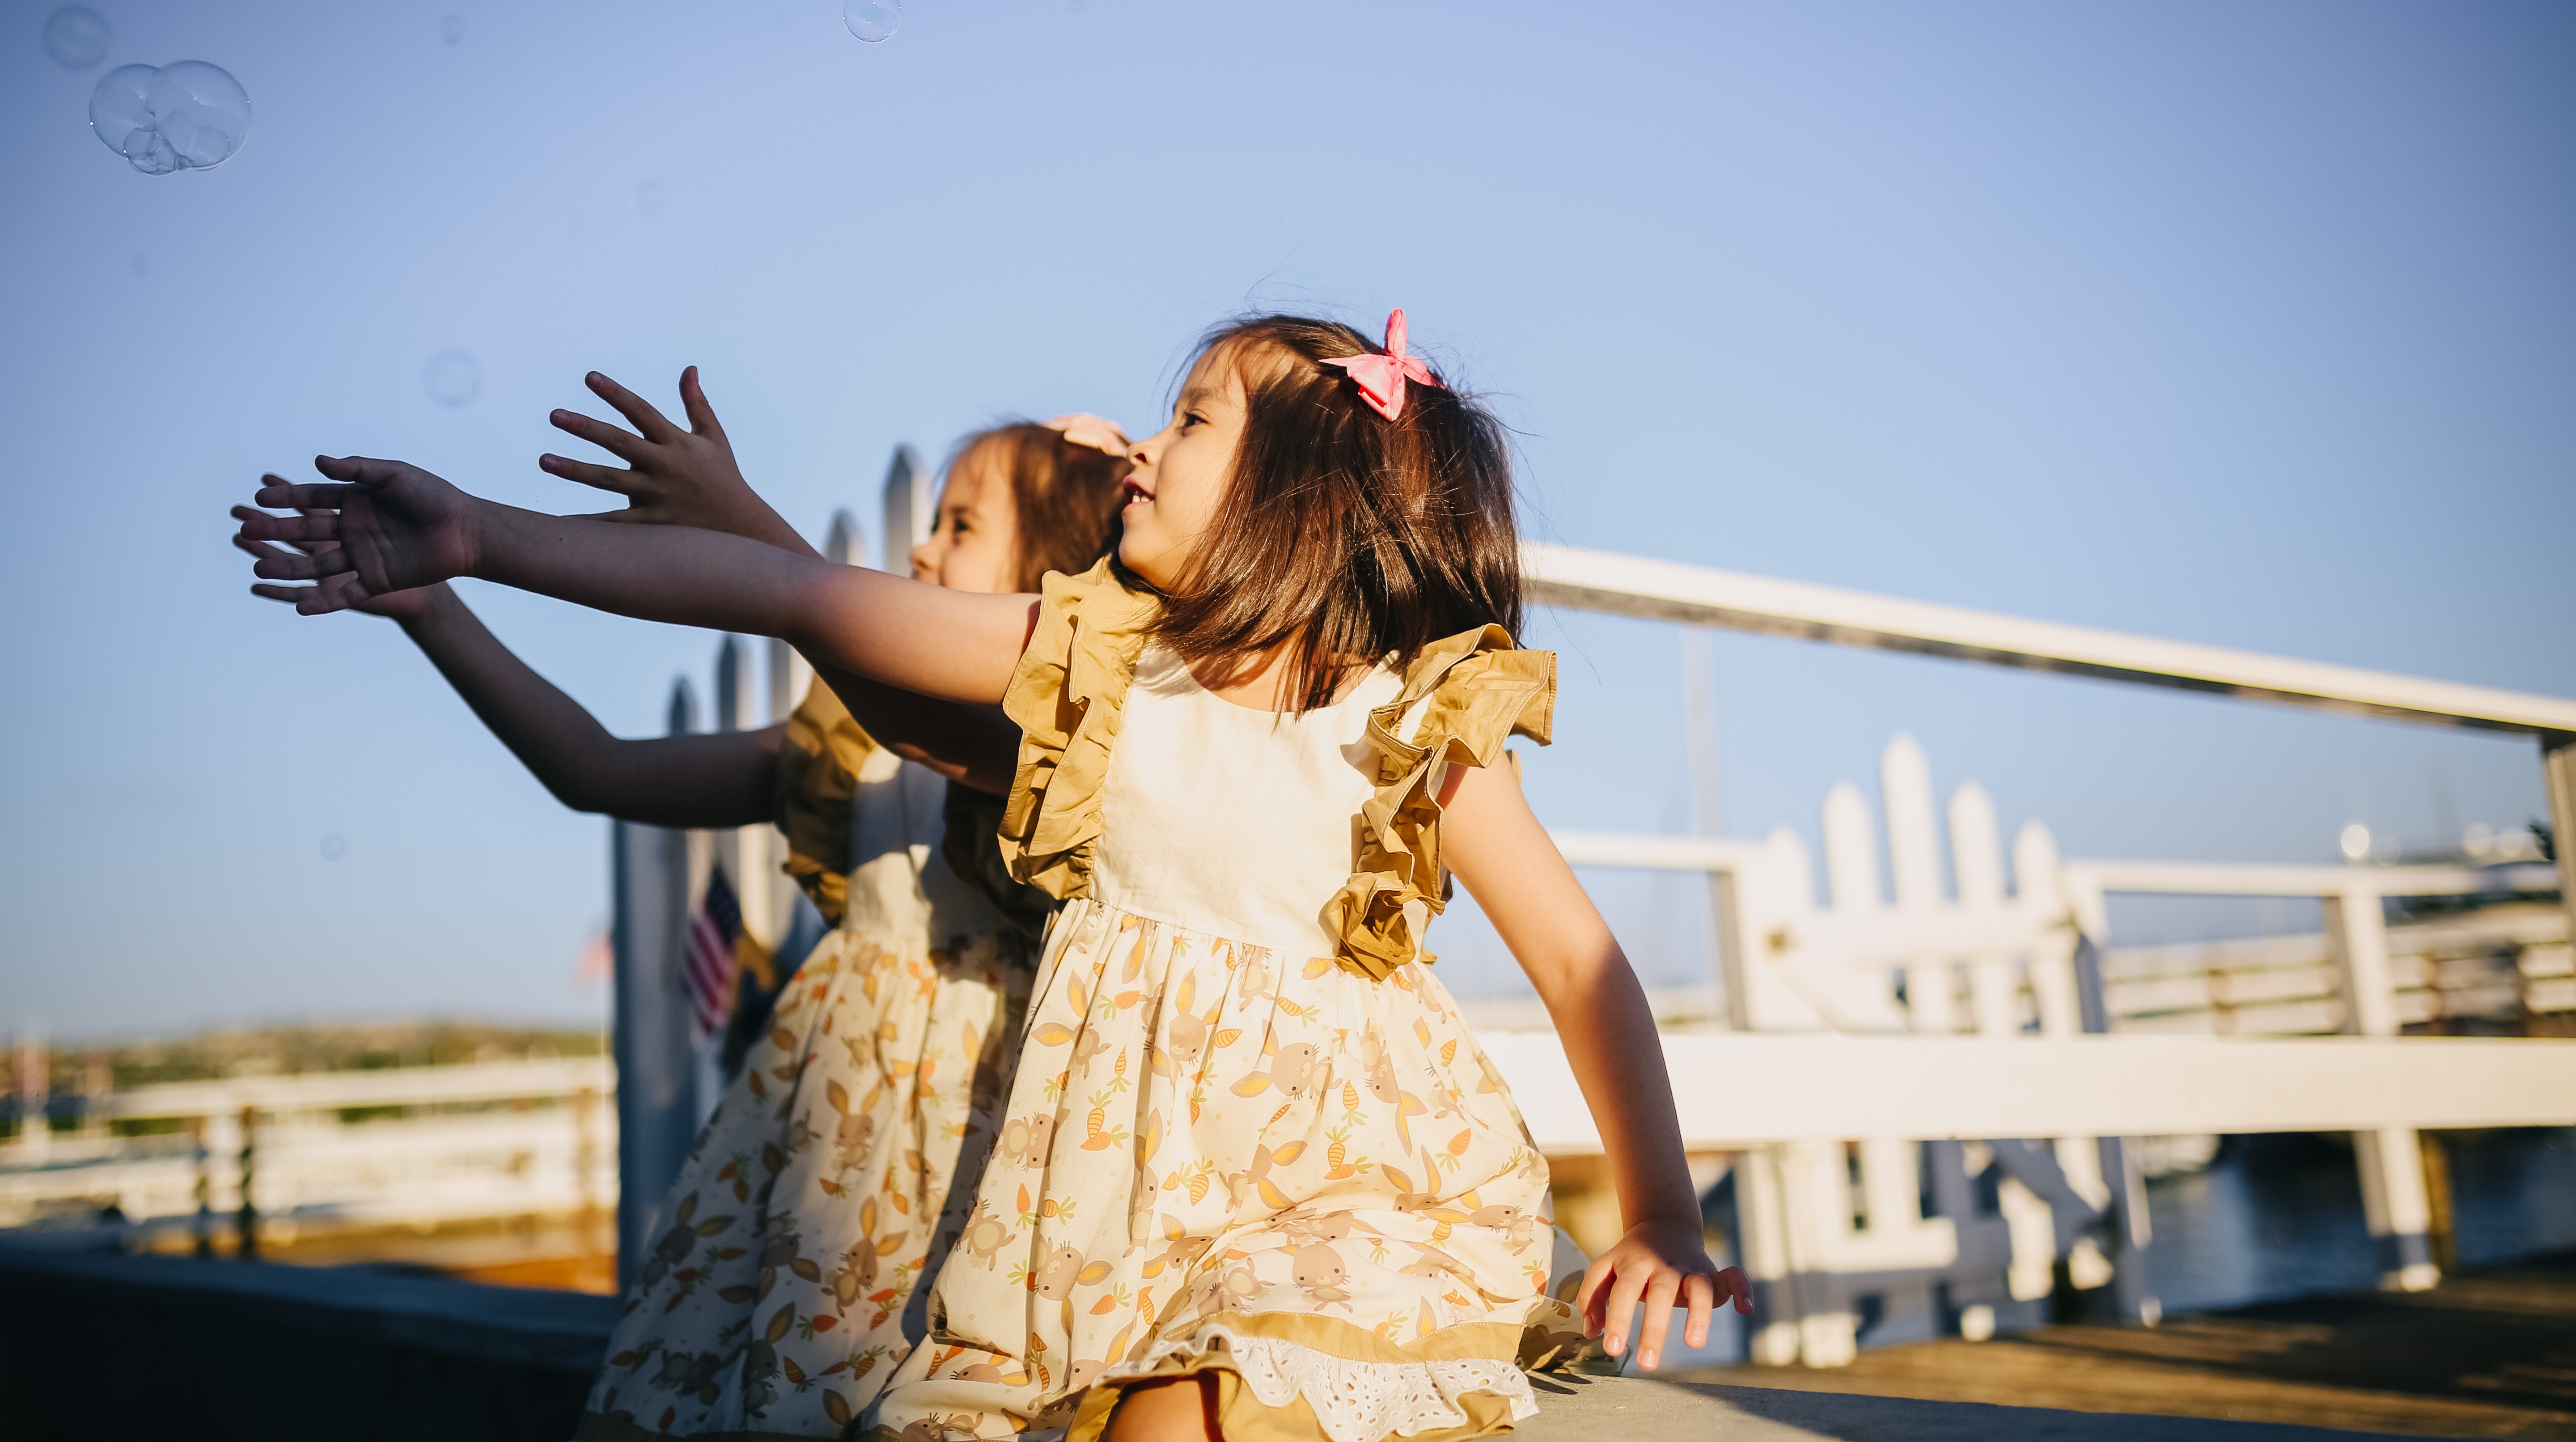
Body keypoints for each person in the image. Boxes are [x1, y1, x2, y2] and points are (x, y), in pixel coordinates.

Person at [237, 312, 1753, 1442]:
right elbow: (797, 596)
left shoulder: (1419, 728)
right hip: (1124, 1206)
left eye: (1193, 420)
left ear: (1302, 492)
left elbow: (1577, 962)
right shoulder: (1089, 671)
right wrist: (483, 545)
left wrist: (1662, 1215)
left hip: (1346, 1190)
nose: (1142, 447)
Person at [234, 369, 1128, 1438]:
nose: (924, 551)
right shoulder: (840, 750)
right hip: (830, 1156)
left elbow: (878, 676)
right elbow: (597, 769)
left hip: (979, 1159)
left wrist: (740, 525)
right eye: (929, 522)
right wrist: (433, 612)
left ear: (1052, 569)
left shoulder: (1047, 754)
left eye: (963, 525)